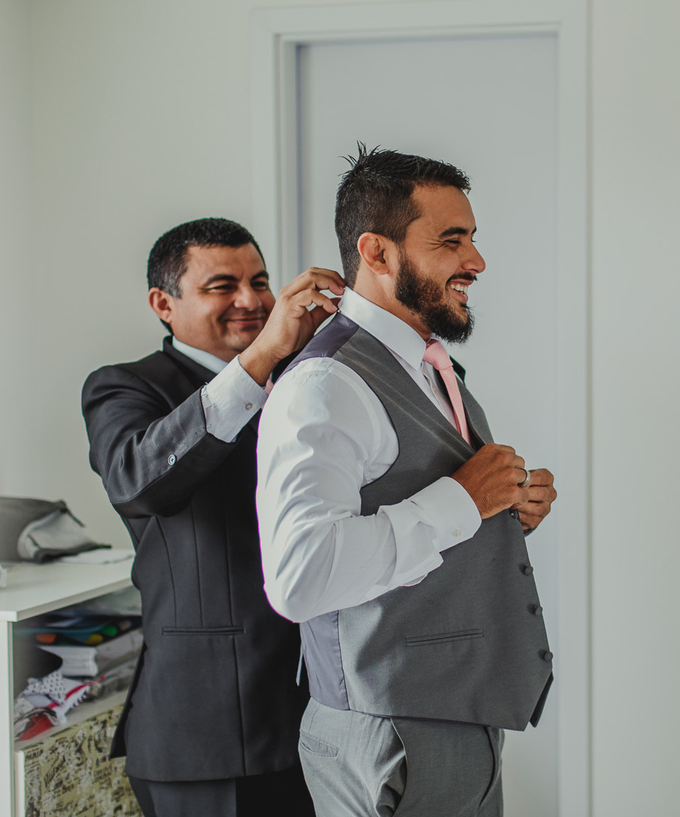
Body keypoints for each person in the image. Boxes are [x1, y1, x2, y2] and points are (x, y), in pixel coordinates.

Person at [256, 147, 557, 817]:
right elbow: (299, 576)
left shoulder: (427, 364)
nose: (475, 261)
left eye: (473, 239)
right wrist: (462, 499)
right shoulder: (324, 384)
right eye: (452, 241)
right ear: (378, 251)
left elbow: (425, 502)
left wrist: (505, 508)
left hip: (454, 714)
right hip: (387, 726)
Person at [82, 217, 345, 817]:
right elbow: (136, 478)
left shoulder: (307, 377)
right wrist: (260, 358)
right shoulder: (125, 387)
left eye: (260, 280)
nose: (251, 301)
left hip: (324, 717)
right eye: (222, 286)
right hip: (206, 734)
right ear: (163, 303)